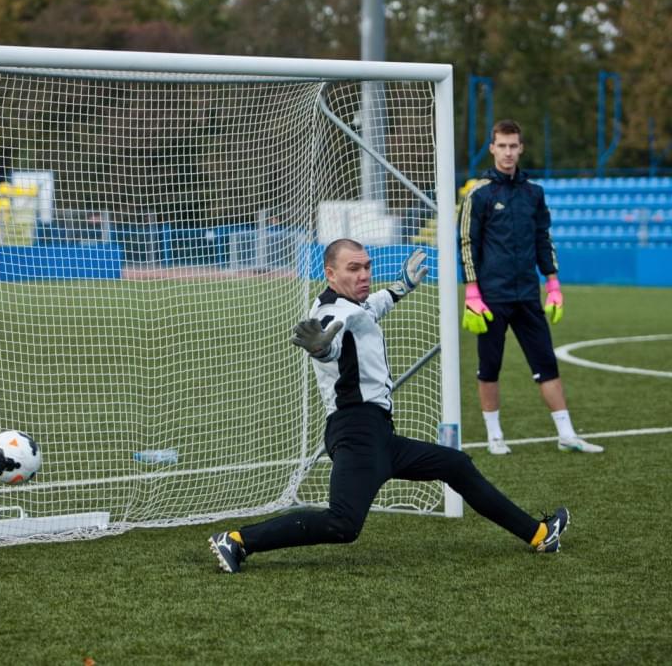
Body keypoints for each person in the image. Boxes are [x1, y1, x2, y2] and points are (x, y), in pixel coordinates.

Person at [208, 238, 570, 573]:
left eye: (366, 266)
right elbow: (331, 336)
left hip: (376, 433)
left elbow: (370, 308)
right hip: (357, 433)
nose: (364, 274)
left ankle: (539, 534)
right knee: (343, 524)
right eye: (353, 268)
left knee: (456, 465)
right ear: (330, 273)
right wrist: (321, 348)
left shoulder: (353, 305)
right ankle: (237, 540)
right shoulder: (331, 312)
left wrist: (401, 286)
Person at [459, 119, 603, 455]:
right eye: (502, 146)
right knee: (489, 367)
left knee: (546, 364)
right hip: (491, 297)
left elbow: (543, 239)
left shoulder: (533, 193)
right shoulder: (479, 194)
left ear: (521, 148)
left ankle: (566, 434)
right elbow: (467, 243)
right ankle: (495, 436)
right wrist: (472, 291)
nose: (508, 152)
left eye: (513, 146)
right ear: (492, 148)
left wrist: (553, 283)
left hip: (527, 294)